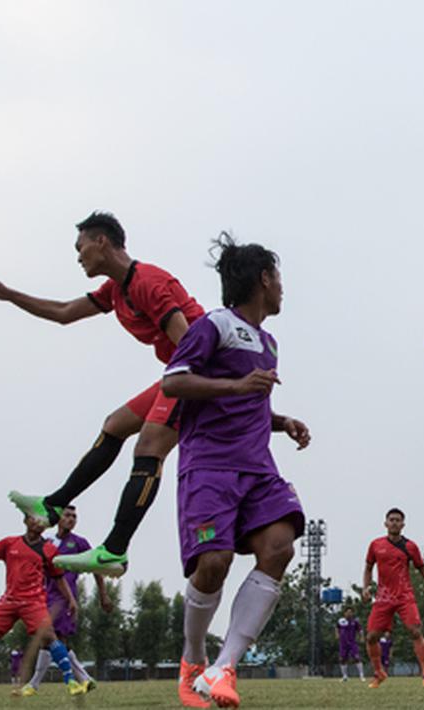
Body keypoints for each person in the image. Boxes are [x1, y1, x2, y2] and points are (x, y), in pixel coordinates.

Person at [0, 212, 205, 574]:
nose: (78, 257)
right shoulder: (116, 289)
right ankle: (54, 506)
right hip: (178, 370)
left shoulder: (147, 282)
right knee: (115, 424)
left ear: (101, 242)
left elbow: (189, 343)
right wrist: (8, 294)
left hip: (196, 369)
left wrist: (212, 390)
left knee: (149, 448)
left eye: (81, 247)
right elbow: (64, 312)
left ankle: (114, 550)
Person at [165, 235, 310, 709]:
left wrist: (280, 421)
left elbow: (244, 404)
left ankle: (223, 668)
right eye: (279, 279)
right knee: (215, 563)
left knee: (280, 547)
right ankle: (193, 659)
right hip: (209, 464)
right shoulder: (214, 325)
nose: (283, 289)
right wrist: (238, 383)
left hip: (257, 467)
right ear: (264, 279)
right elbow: (175, 381)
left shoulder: (269, 342)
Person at [0, 516, 85, 700]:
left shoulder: (49, 549)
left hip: (34, 602)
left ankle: (71, 681)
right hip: (9, 601)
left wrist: (71, 599)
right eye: (35, 519)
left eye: (43, 521)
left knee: (49, 636)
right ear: (26, 521)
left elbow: (58, 577)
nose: (39, 523)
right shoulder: (10, 543)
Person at [24, 506, 113, 695]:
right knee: (51, 640)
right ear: (58, 519)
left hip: (65, 597)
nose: (71, 519)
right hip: (45, 596)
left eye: (74, 516)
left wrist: (103, 594)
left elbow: (96, 567)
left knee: (53, 638)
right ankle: (83, 679)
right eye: (67, 515)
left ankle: (35, 684)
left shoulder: (79, 543)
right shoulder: (48, 541)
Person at [363, 509, 424, 688]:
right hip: (383, 597)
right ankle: (379, 673)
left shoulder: (410, 547)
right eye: (391, 520)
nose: (395, 523)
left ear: (403, 525)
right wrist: (366, 587)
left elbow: (423, 570)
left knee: (415, 631)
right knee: (371, 637)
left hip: (405, 596)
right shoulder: (375, 545)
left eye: (398, 520)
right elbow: (368, 567)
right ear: (385, 523)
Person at [336, 608, 365, 682]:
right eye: (347, 612)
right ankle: (345, 676)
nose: (349, 614)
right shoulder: (341, 621)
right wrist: (337, 634)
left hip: (352, 643)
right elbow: (337, 627)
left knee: (357, 658)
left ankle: (361, 676)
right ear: (344, 613)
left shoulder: (355, 622)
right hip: (343, 644)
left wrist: (361, 637)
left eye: (350, 612)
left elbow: (360, 630)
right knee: (342, 659)